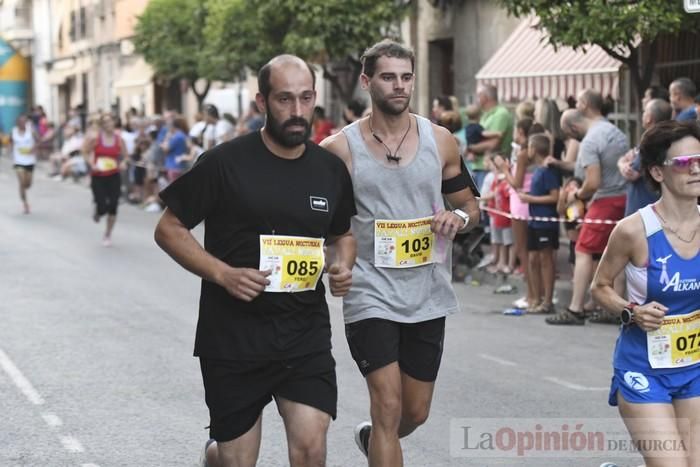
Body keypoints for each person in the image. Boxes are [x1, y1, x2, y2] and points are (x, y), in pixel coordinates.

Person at [154, 54, 357, 467]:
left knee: (311, 447)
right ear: (262, 102)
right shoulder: (224, 163)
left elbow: (342, 234)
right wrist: (222, 274)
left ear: (315, 97)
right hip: (234, 335)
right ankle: (216, 456)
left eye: (304, 99)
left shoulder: (329, 170)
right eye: (284, 100)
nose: (297, 111)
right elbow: (168, 228)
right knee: (236, 460)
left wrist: (342, 264)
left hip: (303, 332)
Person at [320, 39, 480, 467]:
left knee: (415, 412)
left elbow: (470, 206)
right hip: (370, 290)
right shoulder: (339, 150)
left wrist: (459, 220)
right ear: (367, 81)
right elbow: (319, 223)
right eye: (388, 77)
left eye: (406, 77)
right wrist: (334, 263)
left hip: (427, 290)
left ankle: (376, 439)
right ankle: (383, 434)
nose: (399, 86)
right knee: (388, 406)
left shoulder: (441, 141)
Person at [591, 120, 700, 466]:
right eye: (684, 163)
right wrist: (631, 311)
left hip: (694, 367)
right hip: (643, 368)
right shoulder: (634, 230)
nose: (696, 168)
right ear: (657, 172)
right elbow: (600, 287)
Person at [546, 102, 629, 325]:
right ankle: (614, 308)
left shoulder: (591, 140)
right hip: (624, 198)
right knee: (618, 253)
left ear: (573, 129)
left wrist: (577, 196)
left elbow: (592, 183)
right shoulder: (615, 131)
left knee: (583, 250)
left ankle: (575, 309)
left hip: (606, 199)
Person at [517, 133, 561, 314]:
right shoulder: (537, 170)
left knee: (546, 259)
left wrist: (530, 198)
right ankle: (535, 298)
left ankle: (548, 300)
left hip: (546, 222)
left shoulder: (548, 171)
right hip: (534, 221)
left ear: (533, 149)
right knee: (533, 259)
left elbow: (554, 197)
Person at [618, 98, 671, 216]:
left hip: (643, 209)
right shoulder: (667, 139)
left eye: (644, 112)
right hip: (658, 207)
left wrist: (621, 163)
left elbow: (631, 173)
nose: (643, 115)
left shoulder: (651, 141)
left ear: (649, 118)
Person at [82, 113, 128, 246]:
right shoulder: (96, 138)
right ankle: (98, 210)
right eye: (105, 122)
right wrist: (92, 164)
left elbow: (125, 156)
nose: (108, 125)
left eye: (110, 122)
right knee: (102, 206)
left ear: (114, 123)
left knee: (113, 205)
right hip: (98, 176)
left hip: (114, 175)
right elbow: (85, 152)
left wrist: (124, 162)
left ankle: (108, 234)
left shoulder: (119, 139)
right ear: (102, 125)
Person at [10, 114, 39, 214]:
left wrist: (34, 149)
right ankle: (25, 203)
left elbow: (38, 140)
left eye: (24, 122)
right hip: (18, 161)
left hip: (30, 161)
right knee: (22, 183)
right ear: (17, 123)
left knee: (28, 184)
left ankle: (24, 190)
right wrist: (12, 153)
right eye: (21, 122)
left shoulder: (31, 130)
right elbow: (11, 143)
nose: (23, 124)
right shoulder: (13, 132)